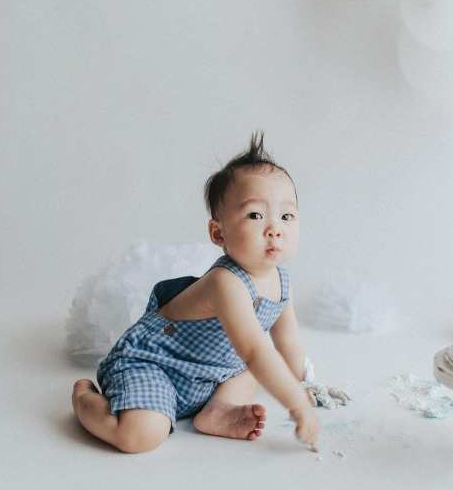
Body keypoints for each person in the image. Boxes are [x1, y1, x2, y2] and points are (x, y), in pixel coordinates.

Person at [71, 132, 319, 453]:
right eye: (255, 215)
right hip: (157, 366)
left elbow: (287, 343)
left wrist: (303, 385)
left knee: (258, 372)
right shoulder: (225, 282)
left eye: (287, 216)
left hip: (213, 371)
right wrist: (296, 406)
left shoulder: (282, 281)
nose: (275, 228)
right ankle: (84, 398)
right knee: (141, 436)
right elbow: (256, 351)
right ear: (218, 232)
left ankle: (216, 412)